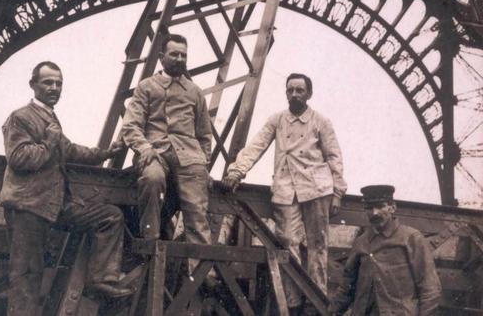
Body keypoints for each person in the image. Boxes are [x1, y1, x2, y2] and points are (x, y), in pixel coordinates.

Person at [0, 61, 132, 316]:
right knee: (26, 280)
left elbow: (69, 151)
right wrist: (49, 141)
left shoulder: (49, 118)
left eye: (58, 83)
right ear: (33, 85)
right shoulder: (20, 117)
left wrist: (104, 153)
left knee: (110, 216)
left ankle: (101, 280)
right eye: (48, 82)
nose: (54, 88)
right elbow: (19, 158)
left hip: (54, 204)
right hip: (28, 206)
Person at [221, 73, 346, 309]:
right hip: (286, 189)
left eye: (300, 90)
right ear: (286, 92)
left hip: (317, 189)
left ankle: (315, 302)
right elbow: (257, 145)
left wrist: (338, 191)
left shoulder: (321, 121)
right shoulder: (277, 120)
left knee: (318, 246)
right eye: (290, 90)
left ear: (309, 94)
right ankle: (293, 301)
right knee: (287, 243)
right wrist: (237, 171)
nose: (295, 94)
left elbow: (334, 157)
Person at [121, 34, 213, 271]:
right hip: (155, 150)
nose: (180, 59)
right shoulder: (146, 87)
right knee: (152, 179)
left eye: (183, 55)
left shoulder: (195, 92)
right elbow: (131, 125)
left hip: (189, 155)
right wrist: (144, 148)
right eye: (174, 54)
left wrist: (204, 163)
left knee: (196, 208)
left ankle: (201, 269)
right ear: (162, 57)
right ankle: (150, 245)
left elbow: (204, 134)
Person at [329, 185, 442, 315]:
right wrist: (332, 310)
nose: (374, 212)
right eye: (369, 208)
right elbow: (347, 286)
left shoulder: (411, 238)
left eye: (380, 206)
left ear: (392, 207)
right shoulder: (361, 242)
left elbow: (430, 287)